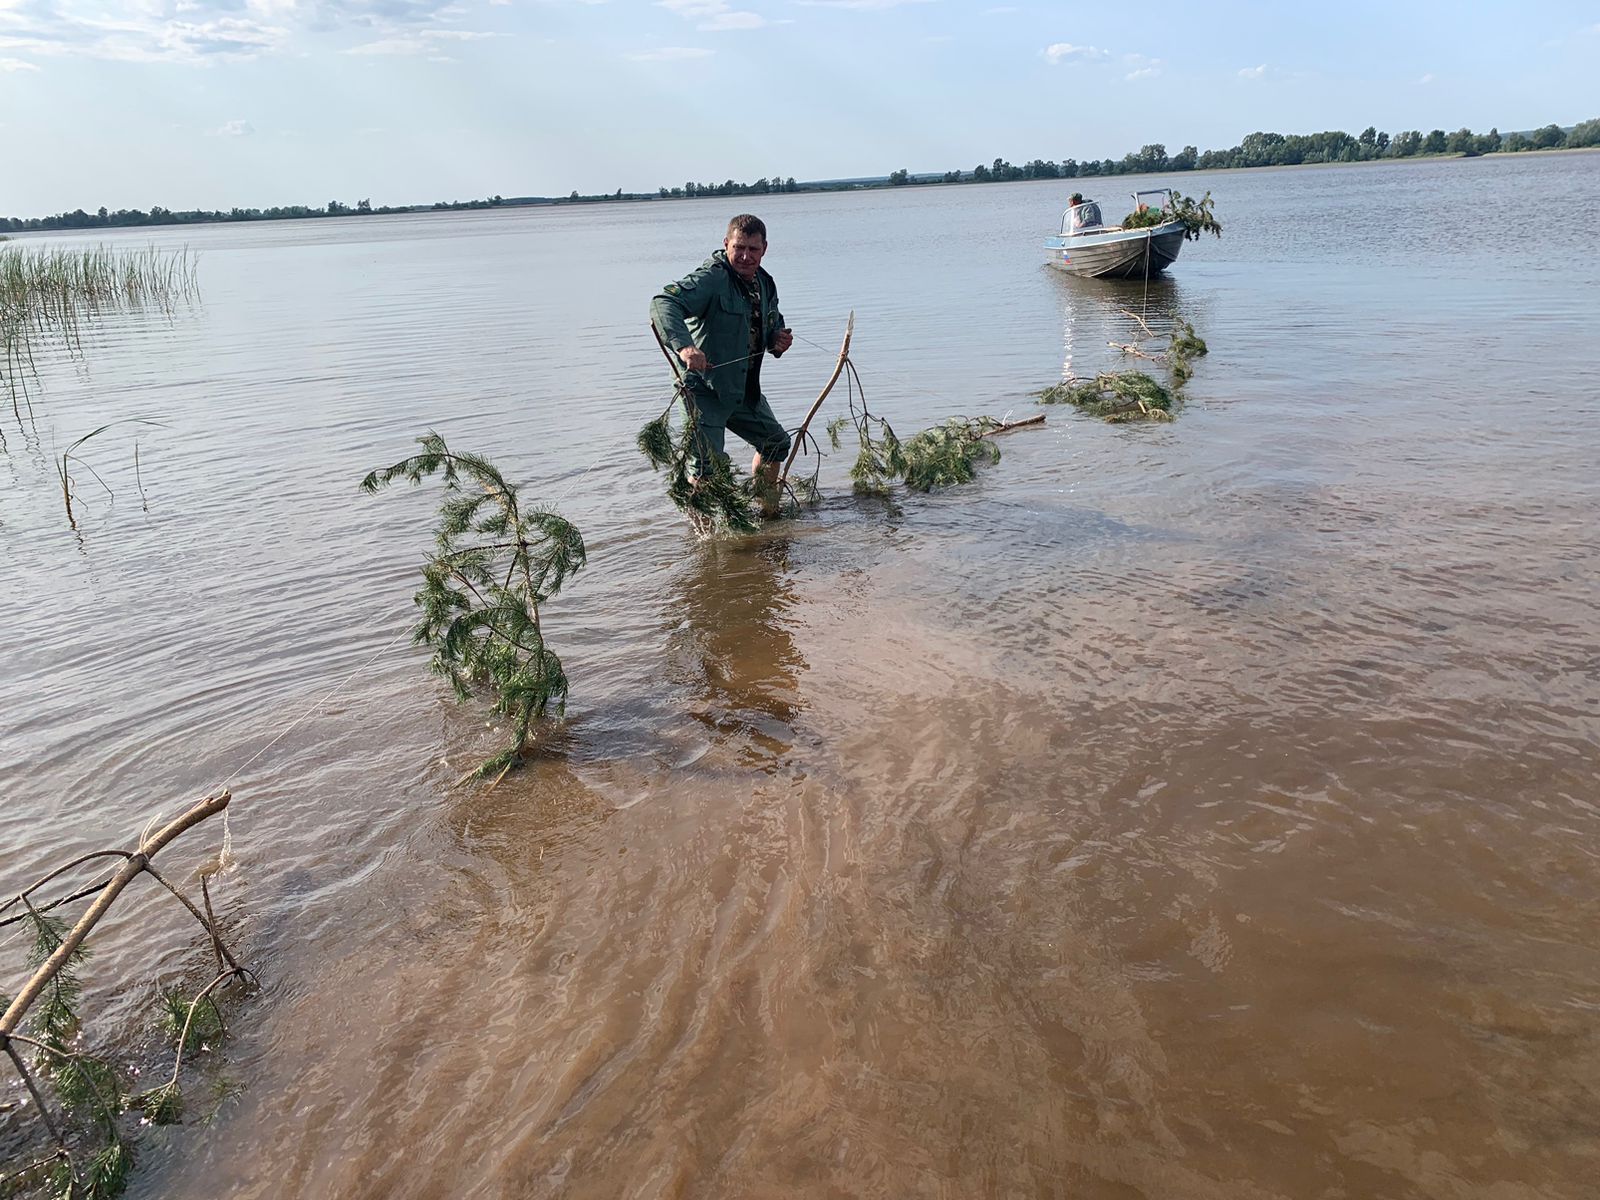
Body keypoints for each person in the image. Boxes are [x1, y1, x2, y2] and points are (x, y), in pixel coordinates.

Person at [650, 214, 795, 515]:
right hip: (702, 390)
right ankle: (707, 539)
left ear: (764, 249)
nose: (745, 256)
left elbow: (770, 326)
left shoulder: (765, 283)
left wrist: (777, 340)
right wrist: (685, 347)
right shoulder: (713, 277)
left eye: (753, 250)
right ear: (726, 244)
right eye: (738, 247)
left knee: (776, 444)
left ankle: (766, 513)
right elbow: (664, 302)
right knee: (706, 470)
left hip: (741, 389)